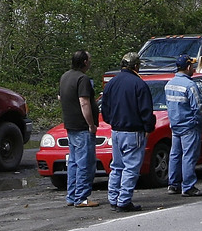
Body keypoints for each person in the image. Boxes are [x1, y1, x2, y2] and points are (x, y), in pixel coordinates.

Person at [99, 51, 155, 212]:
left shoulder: (112, 83)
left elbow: (105, 108)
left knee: (117, 166)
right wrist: (148, 127)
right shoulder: (139, 84)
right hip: (133, 130)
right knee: (131, 167)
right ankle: (123, 200)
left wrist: (112, 121)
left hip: (116, 130)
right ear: (136, 66)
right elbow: (146, 110)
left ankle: (113, 198)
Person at [58, 49, 100, 208]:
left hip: (70, 125)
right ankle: (81, 197)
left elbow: (60, 97)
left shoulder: (65, 76)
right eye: (89, 59)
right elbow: (84, 102)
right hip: (82, 127)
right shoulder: (83, 79)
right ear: (85, 62)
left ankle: (72, 195)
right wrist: (91, 124)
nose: (90, 62)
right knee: (85, 163)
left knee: (74, 162)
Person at [164, 54, 202, 197]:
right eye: (192, 66)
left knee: (175, 155)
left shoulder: (169, 84)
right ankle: (188, 186)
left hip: (175, 125)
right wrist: (198, 122)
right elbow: (197, 107)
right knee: (189, 156)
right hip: (189, 126)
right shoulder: (190, 85)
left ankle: (173, 184)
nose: (193, 68)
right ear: (188, 67)